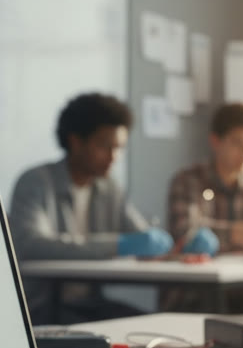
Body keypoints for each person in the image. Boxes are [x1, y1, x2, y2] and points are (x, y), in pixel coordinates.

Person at [9, 93, 172, 323]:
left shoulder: (108, 187)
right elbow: (32, 244)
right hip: (41, 310)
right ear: (76, 141)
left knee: (156, 326)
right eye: (105, 146)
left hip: (89, 306)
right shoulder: (35, 182)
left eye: (119, 148)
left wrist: (177, 248)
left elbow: (143, 239)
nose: (113, 157)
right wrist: (117, 244)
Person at [167, 102, 243, 253]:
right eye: (237, 143)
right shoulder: (187, 181)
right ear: (216, 141)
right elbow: (183, 231)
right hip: (201, 273)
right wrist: (237, 233)